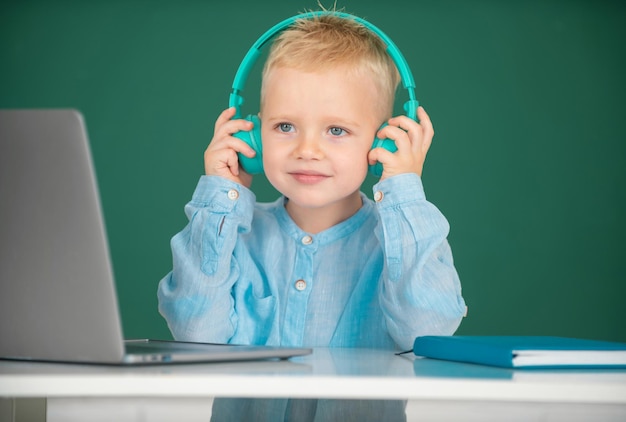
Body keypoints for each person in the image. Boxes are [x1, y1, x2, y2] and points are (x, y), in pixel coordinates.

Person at [158, 10, 466, 421]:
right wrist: (221, 196)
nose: (307, 150)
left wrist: (404, 190)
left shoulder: (396, 243)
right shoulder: (234, 236)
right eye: (285, 126)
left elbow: (427, 331)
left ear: (382, 142)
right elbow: (197, 336)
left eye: (336, 130)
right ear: (253, 134)